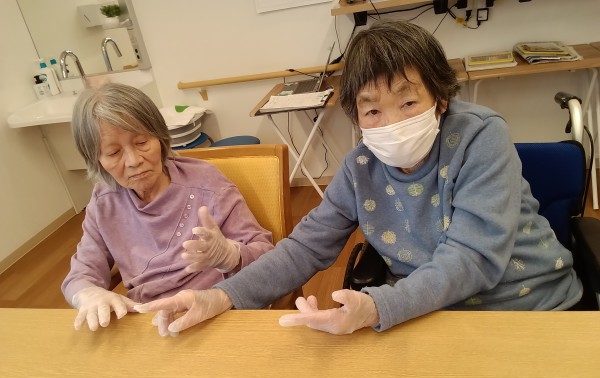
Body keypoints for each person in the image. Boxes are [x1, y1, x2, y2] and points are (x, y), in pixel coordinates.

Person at [135, 21, 582, 335]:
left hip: (533, 311)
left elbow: (472, 257)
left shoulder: (480, 137)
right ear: (356, 117)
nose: (392, 122)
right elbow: (304, 247)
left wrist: (377, 306)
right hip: (431, 318)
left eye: (408, 103)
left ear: (441, 98)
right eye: (372, 111)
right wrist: (220, 296)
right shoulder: (360, 168)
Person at [62, 83, 274, 333]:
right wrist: (88, 293)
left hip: (216, 311)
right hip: (152, 322)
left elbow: (266, 253)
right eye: (114, 153)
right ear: (96, 160)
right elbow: (81, 273)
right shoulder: (104, 202)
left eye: (142, 142)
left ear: (160, 138)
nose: (134, 161)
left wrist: (231, 256)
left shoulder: (207, 184)